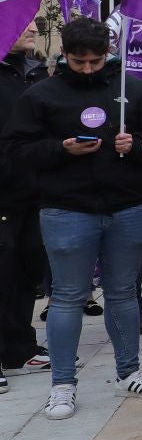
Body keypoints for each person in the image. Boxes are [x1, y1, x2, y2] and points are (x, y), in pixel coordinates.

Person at [3, 15, 142, 417]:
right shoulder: (42, 94)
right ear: (65, 54)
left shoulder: (136, 89)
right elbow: (17, 149)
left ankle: (128, 371)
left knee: (123, 293)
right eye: (80, 62)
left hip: (127, 206)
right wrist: (61, 148)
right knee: (67, 297)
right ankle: (62, 383)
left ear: (109, 53)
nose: (89, 69)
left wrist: (139, 144)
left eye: (96, 61)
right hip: (66, 209)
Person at [0, 21, 48, 378]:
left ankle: (19, 348)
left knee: (26, 268)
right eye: (22, 20)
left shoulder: (34, 73)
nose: (33, 26)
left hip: (30, 190)